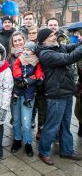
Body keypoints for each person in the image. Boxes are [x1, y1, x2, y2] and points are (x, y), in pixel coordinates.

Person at [36, 28, 82, 165]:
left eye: (54, 34)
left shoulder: (58, 47)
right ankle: (43, 152)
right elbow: (69, 58)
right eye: (50, 36)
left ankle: (67, 151)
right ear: (43, 40)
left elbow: (72, 47)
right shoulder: (45, 53)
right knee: (52, 125)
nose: (54, 36)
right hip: (56, 94)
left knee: (66, 125)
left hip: (67, 91)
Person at [9, 31, 35, 157]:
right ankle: (17, 140)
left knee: (26, 121)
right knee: (16, 119)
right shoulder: (10, 57)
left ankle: (28, 142)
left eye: (20, 40)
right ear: (12, 43)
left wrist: (28, 80)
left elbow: (39, 74)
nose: (18, 42)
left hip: (28, 93)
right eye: (15, 41)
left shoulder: (32, 56)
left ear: (24, 41)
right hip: (15, 93)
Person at [12, 41, 44, 108]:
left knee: (30, 89)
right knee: (18, 87)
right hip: (20, 76)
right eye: (24, 50)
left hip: (30, 77)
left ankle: (27, 100)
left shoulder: (36, 60)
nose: (25, 51)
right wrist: (18, 75)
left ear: (33, 52)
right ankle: (15, 97)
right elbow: (16, 66)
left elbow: (38, 69)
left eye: (28, 50)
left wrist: (38, 75)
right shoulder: (20, 58)